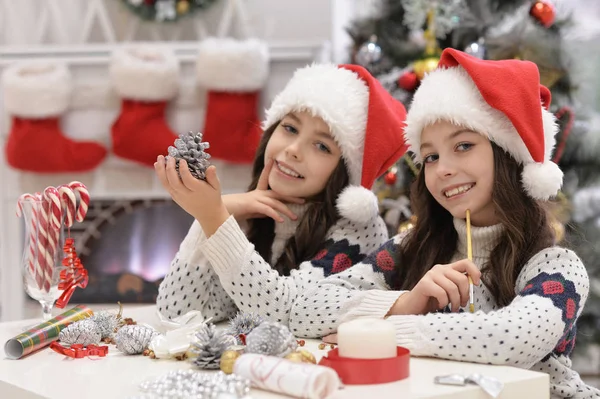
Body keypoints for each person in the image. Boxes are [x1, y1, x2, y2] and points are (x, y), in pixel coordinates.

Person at [290, 49, 599, 399]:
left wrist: (388, 328)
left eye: (464, 145)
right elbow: (304, 308)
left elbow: (511, 339)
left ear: (509, 154)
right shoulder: (409, 250)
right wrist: (406, 302)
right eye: (431, 156)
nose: (443, 169)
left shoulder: (556, 268)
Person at [154, 62, 408, 327]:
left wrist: (215, 217)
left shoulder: (359, 230)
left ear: (345, 171)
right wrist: (211, 217)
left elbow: (286, 313)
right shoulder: (251, 210)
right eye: (290, 128)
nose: (294, 149)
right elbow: (177, 315)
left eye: (322, 146)